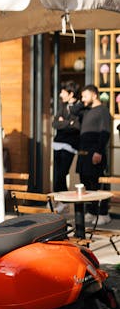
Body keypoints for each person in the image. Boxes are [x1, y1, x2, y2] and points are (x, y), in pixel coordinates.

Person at [76, 84, 111, 226]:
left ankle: (103, 213)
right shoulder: (86, 111)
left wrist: (98, 151)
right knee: (85, 185)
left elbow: (105, 132)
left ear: (94, 95)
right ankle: (91, 211)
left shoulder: (103, 110)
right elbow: (74, 110)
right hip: (83, 155)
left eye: (85, 96)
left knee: (97, 185)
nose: (83, 99)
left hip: (95, 154)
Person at [52, 81, 83, 194]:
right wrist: (68, 123)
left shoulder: (80, 107)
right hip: (57, 144)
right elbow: (54, 124)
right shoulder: (63, 106)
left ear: (71, 94)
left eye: (63, 92)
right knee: (57, 175)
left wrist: (63, 123)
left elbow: (77, 126)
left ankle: (62, 199)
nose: (60, 94)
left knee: (62, 173)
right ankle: (61, 201)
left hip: (70, 145)